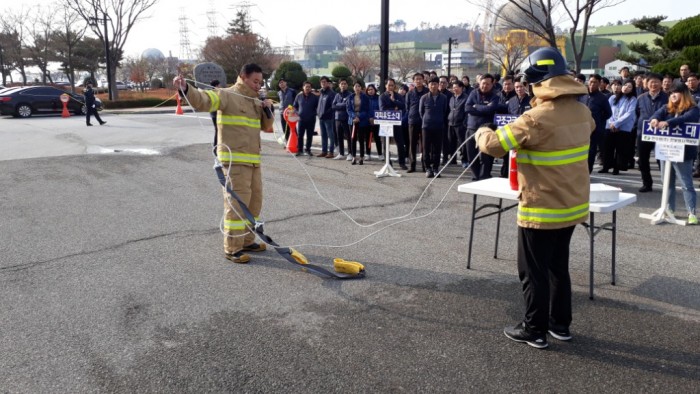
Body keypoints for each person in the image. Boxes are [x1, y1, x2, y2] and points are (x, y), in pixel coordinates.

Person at [475, 47, 594, 349]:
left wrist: (481, 131)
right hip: (572, 207)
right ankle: (560, 325)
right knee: (558, 268)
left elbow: (495, 146)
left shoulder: (536, 117)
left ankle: (534, 329)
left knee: (532, 272)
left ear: (537, 81)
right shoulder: (583, 112)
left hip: (542, 208)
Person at [173, 63, 274, 263]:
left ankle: (247, 240)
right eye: (255, 81)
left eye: (260, 82)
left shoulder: (255, 101)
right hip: (234, 163)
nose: (258, 85)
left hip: (253, 163)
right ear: (243, 77)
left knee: (254, 204)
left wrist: (267, 109)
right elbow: (203, 100)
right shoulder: (226, 94)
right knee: (236, 205)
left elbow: (266, 126)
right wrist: (185, 89)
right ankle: (232, 247)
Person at [649, 82, 699, 224]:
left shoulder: (693, 109)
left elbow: (686, 119)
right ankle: (668, 209)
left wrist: (668, 123)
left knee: (686, 183)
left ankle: (691, 212)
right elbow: (657, 113)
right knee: (666, 182)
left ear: (684, 94)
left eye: (676, 93)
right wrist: (655, 119)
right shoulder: (667, 108)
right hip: (666, 151)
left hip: (683, 152)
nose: (672, 95)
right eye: (670, 93)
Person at [636, 73, 668, 192]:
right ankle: (647, 183)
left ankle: (666, 184)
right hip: (643, 132)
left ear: (661, 83)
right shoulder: (641, 97)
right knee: (643, 159)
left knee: (661, 159)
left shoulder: (668, 97)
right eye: (651, 82)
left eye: (656, 82)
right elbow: (637, 113)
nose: (654, 84)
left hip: (661, 133)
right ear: (646, 83)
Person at [465, 73, 500, 180]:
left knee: (486, 155)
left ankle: (485, 175)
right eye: (483, 83)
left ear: (492, 84)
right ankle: (476, 175)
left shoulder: (495, 96)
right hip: (472, 128)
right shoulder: (473, 93)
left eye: (488, 84)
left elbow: (491, 109)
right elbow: (467, 108)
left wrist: (477, 107)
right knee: (471, 154)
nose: (485, 86)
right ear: (480, 83)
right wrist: (484, 108)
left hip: (486, 130)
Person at [599, 79, 637, 175]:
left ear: (632, 89)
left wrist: (617, 124)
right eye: (625, 85)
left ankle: (616, 168)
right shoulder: (612, 98)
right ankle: (606, 166)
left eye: (629, 87)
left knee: (620, 149)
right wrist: (612, 123)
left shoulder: (633, 99)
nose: (626, 88)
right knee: (607, 148)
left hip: (624, 128)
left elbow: (629, 114)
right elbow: (608, 111)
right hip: (610, 126)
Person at [419, 77, 449, 178]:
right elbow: (421, 112)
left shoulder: (444, 98)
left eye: (435, 84)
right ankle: (428, 168)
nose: (433, 86)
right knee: (426, 149)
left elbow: (445, 111)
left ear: (438, 85)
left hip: (439, 126)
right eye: (431, 84)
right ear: (428, 85)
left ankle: (436, 168)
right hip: (426, 127)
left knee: (437, 149)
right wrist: (427, 120)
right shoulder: (424, 98)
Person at [583, 74, 612, 173]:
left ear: (599, 84)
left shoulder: (602, 98)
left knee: (591, 151)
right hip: (582, 127)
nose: (592, 84)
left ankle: (588, 171)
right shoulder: (584, 95)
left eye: (595, 82)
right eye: (590, 82)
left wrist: (598, 120)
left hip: (595, 129)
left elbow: (609, 113)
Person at [379, 78, 407, 169]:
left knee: (400, 143)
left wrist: (393, 100)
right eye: (389, 85)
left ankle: (402, 162)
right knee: (385, 143)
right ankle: (388, 162)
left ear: (394, 86)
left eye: (392, 85)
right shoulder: (382, 96)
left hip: (396, 122)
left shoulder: (398, 96)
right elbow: (382, 109)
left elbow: (403, 107)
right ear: (385, 86)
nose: (390, 87)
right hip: (385, 122)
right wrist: (394, 109)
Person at [405, 73, 429, 173]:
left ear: (423, 80)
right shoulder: (410, 93)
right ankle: (412, 165)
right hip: (413, 121)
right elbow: (407, 107)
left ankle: (425, 165)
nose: (418, 81)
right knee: (412, 144)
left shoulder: (428, 92)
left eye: (420, 79)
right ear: (413, 81)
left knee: (424, 144)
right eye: (416, 79)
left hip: (425, 121)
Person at [292, 81, 319, 156]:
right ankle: (300, 150)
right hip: (301, 119)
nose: (307, 88)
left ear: (311, 88)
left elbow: (318, 107)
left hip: (311, 119)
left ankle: (308, 150)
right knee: (300, 135)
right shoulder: (299, 96)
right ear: (303, 87)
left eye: (309, 87)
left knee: (309, 135)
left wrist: (314, 113)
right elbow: (295, 106)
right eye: (306, 86)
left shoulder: (314, 97)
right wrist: (297, 112)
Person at [347, 82, 370, 165]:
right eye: (356, 86)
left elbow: (366, 110)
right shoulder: (350, 97)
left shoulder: (365, 97)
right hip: (352, 121)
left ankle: (361, 157)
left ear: (361, 88)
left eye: (359, 86)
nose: (357, 88)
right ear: (353, 87)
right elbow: (348, 109)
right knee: (353, 139)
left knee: (361, 139)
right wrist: (354, 117)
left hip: (362, 120)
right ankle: (354, 157)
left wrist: (359, 117)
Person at [447, 80, 469, 168]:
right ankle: (453, 160)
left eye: (456, 87)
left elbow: (467, 112)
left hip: (460, 124)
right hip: (451, 123)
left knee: (462, 143)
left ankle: (464, 160)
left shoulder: (466, 98)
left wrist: (464, 122)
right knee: (451, 142)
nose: (454, 89)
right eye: (453, 87)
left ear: (462, 88)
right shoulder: (452, 98)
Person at [316, 76, 335, 158]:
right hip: (321, 118)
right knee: (323, 135)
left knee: (330, 135)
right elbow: (319, 105)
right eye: (321, 82)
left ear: (328, 83)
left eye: (324, 82)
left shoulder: (331, 93)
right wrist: (319, 113)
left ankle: (331, 152)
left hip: (328, 118)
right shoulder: (321, 93)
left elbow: (333, 106)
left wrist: (325, 113)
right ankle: (324, 151)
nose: (323, 83)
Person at [332, 78, 352, 160]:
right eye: (341, 84)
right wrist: (342, 105)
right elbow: (333, 106)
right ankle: (341, 153)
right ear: (339, 85)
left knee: (348, 136)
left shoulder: (350, 95)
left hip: (346, 118)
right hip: (337, 118)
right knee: (339, 136)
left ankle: (350, 153)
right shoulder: (337, 95)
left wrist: (338, 105)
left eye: (344, 84)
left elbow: (348, 106)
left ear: (347, 85)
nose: (343, 85)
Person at [366, 84, 381, 161]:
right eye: (368, 90)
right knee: (368, 138)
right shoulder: (365, 98)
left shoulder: (378, 98)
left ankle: (380, 154)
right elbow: (364, 109)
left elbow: (380, 109)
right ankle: (368, 154)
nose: (370, 91)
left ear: (375, 90)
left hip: (377, 121)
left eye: (372, 89)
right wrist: (369, 118)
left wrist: (375, 118)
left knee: (377, 138)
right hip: (367, 121)